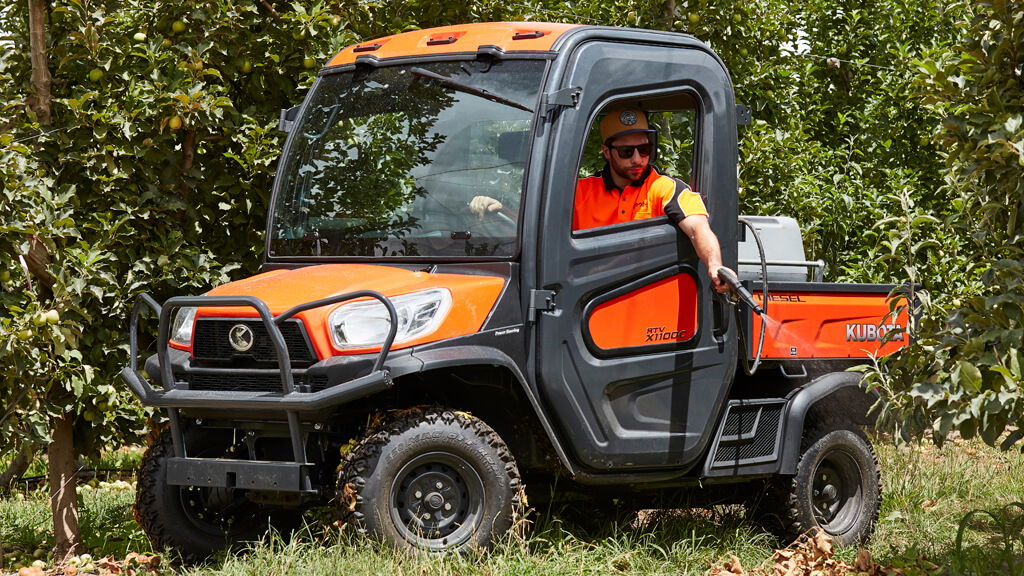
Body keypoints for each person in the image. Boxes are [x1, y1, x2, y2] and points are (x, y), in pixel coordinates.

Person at [470, 106, 733, 294]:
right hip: (589, 294)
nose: (638, 159)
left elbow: (699, 228)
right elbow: (537, 228)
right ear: (606, 152)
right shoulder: (579, 192)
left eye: (644, 149)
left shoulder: (665, 189)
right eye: (627, 152)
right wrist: (499, 209)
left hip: (645, 295)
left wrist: (715, 266)